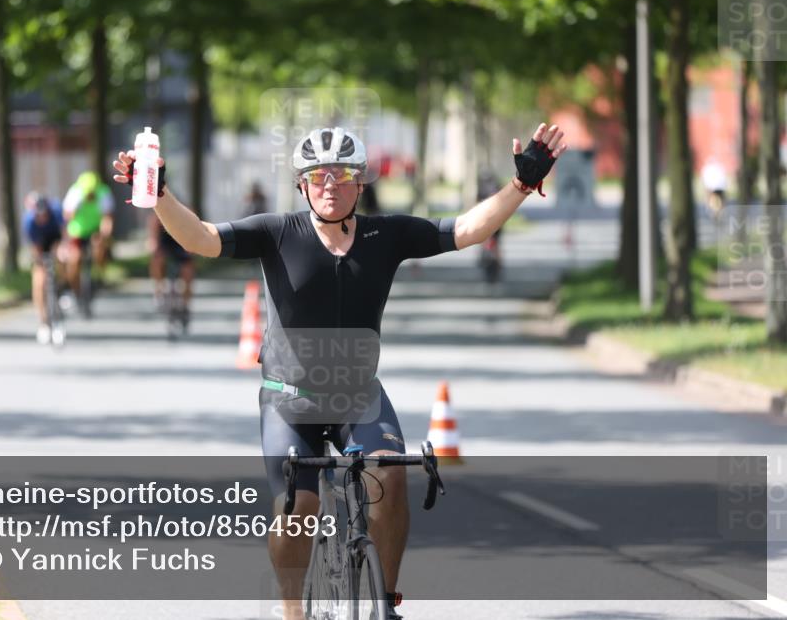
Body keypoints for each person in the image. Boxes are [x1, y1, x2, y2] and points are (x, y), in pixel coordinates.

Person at [113, 123, 566, 620]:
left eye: (344, 174)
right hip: (289, 400)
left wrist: (520, 187)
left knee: (391, 479)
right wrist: (159, 196)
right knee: (298, 512)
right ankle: (292, 612)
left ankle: (386, 602)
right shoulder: (276, 232)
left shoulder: (385, 235)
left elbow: (465, 229)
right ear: (302, 184)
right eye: (318, 175)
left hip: (358, 396)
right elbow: (199, 238)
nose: (331, 183)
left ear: (361, 182)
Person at [61, 172, 111, 313]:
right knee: (74, 260)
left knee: (100, 245)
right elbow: (66, 216)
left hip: (94, 229)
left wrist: (104, 234)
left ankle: (98, 274)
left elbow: (107, 218)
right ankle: (76, 290)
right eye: (88, 194)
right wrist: (75, 208)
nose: (90, 196)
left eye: (92, 193)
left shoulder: (103, 193)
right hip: (77, 231)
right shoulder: (75, 194)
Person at [22, 191, 65, 345]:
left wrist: (60, 251)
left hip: (55, 240)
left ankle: (61, 289)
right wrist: (40, 261)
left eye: (44, 214)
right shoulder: (29, 222)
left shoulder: (56, 213)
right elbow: (35, 248)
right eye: (38, 215)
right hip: (40, 244)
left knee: (63, 261)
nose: (42, 218)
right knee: (39, 282)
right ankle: (43, 322)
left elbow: (63, 235)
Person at [147, 212, 195, 327]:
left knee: (188, 269)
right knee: (157, 260)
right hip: (165, 241)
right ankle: (158, 290)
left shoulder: (186, 213)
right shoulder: (158, 213)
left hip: (181, 241)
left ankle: (185, 304)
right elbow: (153, 234)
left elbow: (195, 233)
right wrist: (153, 244)